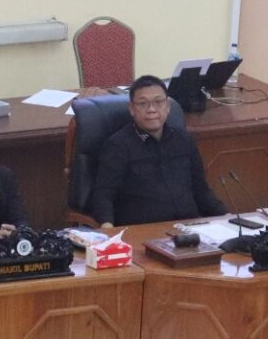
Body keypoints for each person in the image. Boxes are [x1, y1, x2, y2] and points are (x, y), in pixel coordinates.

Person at [90, 74, 226, 228]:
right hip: (143, 232)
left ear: (168, 106)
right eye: (143, 103)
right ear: (132, 109)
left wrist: (228, 219)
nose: (151, 109)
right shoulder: (118, 146)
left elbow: (201, 190)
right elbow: (104, 195)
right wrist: (107, 228)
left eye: (158, 102)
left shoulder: (184, 140)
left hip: (189, 229)